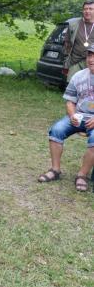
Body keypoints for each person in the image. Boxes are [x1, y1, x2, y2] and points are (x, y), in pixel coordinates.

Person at [38, 44, 94, 192]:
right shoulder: (79, 76)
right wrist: (73, 115)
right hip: (80, 115)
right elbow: (70, 101)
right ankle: (55, 170)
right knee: (56, 130)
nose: (91, 59)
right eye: (89, 55)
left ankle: (82, 175)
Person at [64, 0, 94, 81]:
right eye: (85, 9)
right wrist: (66, 64)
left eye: (90, 9)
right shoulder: (73, 24)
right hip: (75, 62)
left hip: (92, 62)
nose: (87, 11)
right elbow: (67, 44)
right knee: (72, 87)